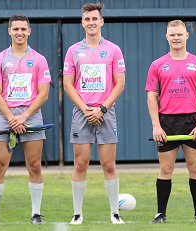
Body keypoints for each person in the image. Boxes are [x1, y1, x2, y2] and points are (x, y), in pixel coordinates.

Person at [0, 14, 51, 225]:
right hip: (6, 117)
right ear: (9, 31)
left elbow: (43, 94)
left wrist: (23, 116)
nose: (20, 33)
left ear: (29, 31)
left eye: (23, 29)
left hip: (31, 116)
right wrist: (12, 117)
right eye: (16, 29)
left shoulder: (39, 59)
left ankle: (36, 214)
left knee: (34, 166)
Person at [63, 2, 126, 225]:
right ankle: (77, 213)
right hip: (82, 113)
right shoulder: (73, 51)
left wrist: (101, 108)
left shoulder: (113, 49)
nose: (91, 22)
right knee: (81, 164)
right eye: (87, 19)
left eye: (94, 19)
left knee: (108, 165)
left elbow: (119, 84)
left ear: (101, 21)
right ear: (82, 22)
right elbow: (68, 84)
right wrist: (86, 109)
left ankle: (115, 213)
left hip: (106, 113)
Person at [145, 20, 196, 223]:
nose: (176, 38)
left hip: (192, 120)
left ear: (186, 36)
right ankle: (160, 214)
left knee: (195, 167)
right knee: (165, 169)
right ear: (167, 37)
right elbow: (151, 97)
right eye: (172, 34)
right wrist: (156, 125)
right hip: (167, 122)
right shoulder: (157, 65)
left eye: (179, 34)